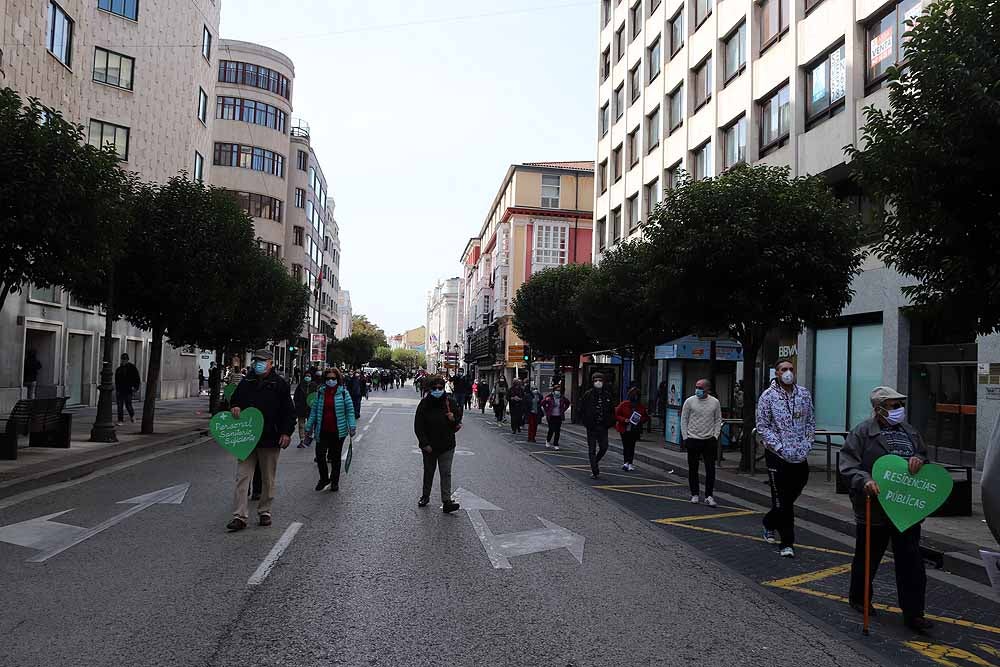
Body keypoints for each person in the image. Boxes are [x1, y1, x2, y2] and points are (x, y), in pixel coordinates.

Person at [840, 386, 933, 634]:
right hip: (875, 507)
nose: (898, 410)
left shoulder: (911, 432)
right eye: (893, 406)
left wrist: (920, 461)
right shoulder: (862, 432)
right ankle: (860, 598)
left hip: (905, 509)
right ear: (879, 408)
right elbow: (848, 465)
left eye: (900, 405)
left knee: (912, 562)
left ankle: (914, 613)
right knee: (868, 557)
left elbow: (925, 459)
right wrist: (865, 481)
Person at [226, 350, 295, 532]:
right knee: (242, 477)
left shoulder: (279, 384)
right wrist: (234, 407)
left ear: (270, 363)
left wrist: (286, 432)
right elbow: (235, 400)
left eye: (262, 361)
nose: (258, 364)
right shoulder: (246, 382)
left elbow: (288, 411)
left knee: (267, 478)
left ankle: (265, 511)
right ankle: (239, 516)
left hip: (270, 438)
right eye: (256, 361)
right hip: (247, 439)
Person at [756, 358, 816, 557]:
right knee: (782, 501)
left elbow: (810, 422)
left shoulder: (804, 394)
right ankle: (787, 543)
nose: (788, 372)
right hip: (777, 456)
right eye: (783, 369)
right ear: (777, 373)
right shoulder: (768, 396)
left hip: (800, 456)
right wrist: (779, 447)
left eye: (791, 369)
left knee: (789, 498)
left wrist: (807, 443)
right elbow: (763, 426)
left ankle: (768, 521)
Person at [413, 375, 462, 512]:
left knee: (446, 473)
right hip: (429, 446)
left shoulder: (450, 402)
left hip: (447, 445)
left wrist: (453, 418)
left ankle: (447, 501)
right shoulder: (424, 404)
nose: (437, 390)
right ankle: (425, 496)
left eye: (440, 388)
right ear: (430, 389)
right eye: (434, 388)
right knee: (429, 472)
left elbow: (458, 421)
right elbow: (418, 426)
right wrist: (424, 443)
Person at [304, 367, 357, 493]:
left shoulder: (344, 393)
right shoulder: (320, 393)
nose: (330, 381)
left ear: (337, 379)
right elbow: (314, 411)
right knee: (320, 455)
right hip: (322, 430)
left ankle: (334, 481)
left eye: (333, 378)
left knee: (335, 457)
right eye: (328, 378)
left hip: (338, 431)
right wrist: (308, 427)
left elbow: (350, 411)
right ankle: (324, 479)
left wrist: (352, 426)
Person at [680, 378, 722, 506]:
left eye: (700, 387)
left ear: (707, 389)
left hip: (709, 440)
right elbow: (684, 419)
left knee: (710, 469)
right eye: (696, 387)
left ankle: (709, 495)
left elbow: (718, 419)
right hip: (692, 439)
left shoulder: (714, 402)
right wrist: (685, 437)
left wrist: (715, 435)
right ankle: (695, 494)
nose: (697, 389)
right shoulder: (689, 401)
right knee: (693, 468)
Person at [580, 373, 614, 479]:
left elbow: (611, 410)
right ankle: (595, 470)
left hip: (603, 426)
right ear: (592, 381)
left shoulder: (607, 395)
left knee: (604, 447)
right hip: (592, 427)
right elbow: (582, 409)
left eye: (600, 380)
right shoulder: (588, 394)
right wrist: (587, 422)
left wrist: (609, 423)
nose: (598, 382)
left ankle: (595, 462)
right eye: (596, 380)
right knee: (592, 449)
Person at [615, 386, 650, 472]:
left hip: (635, 429)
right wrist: (624, 420)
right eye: (633, 395)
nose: (635, 398)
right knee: (626, 445)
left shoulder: (641, 407)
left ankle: (630, 463)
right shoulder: (624, 404)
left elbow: (646, 417)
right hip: (625, 428)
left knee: (631, 445)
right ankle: (626, 462)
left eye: (636, 396)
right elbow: (616, 414)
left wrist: (639, 420)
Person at [293, 368, 319, 447]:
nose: (307, 377)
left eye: (309, 376)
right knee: (301, 425)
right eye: (306, 376)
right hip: (301, 408)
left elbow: (317, 397)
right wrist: (297, 405)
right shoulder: (300, 386)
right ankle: (302, 440)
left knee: (309, 424)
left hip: (311, 409)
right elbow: (296, 397)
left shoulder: (314, 386)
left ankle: (308, 437)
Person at [114, 353, 141, 425]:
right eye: (123, 359)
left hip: (128, 389)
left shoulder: (132, 368)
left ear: (127, 360)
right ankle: (120, 420)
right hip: (120, 390)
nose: (123, 361)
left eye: (125, 359)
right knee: (120, 405)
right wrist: (117, 390)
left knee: (128, 404)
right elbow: (116, 381)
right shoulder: (119, 369)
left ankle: (132, 415)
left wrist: (135, 388)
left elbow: (137, 378)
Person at [541, 384, 570, 450]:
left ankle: (556, 444)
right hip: (551, 416)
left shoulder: (562, 397)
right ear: (554, 390)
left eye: (559, 390)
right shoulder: (549, 397)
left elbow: (568, 403)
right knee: (551, 429)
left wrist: (563, 410)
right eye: (557, 390)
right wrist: (546, 410)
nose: (558, 391)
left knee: (557, 431)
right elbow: (542, 403)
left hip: (558, 416)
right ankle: (548, 441)